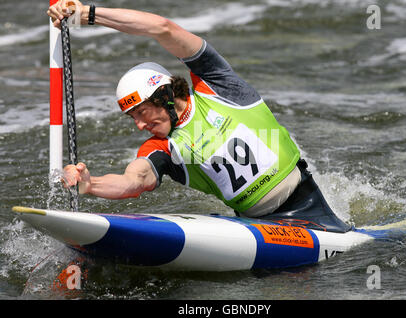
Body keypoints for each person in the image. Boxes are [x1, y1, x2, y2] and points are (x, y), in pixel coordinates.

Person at [48, 0, 350, 232]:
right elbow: (133, 180)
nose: (140, 124)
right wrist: (90, 184)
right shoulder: (162, 148)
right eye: (132, 118)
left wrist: (85, 14)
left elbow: (163, 28)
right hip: (262, 229)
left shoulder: (218, 86)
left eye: (142, 112)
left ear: (165, 95)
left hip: (311, 205)